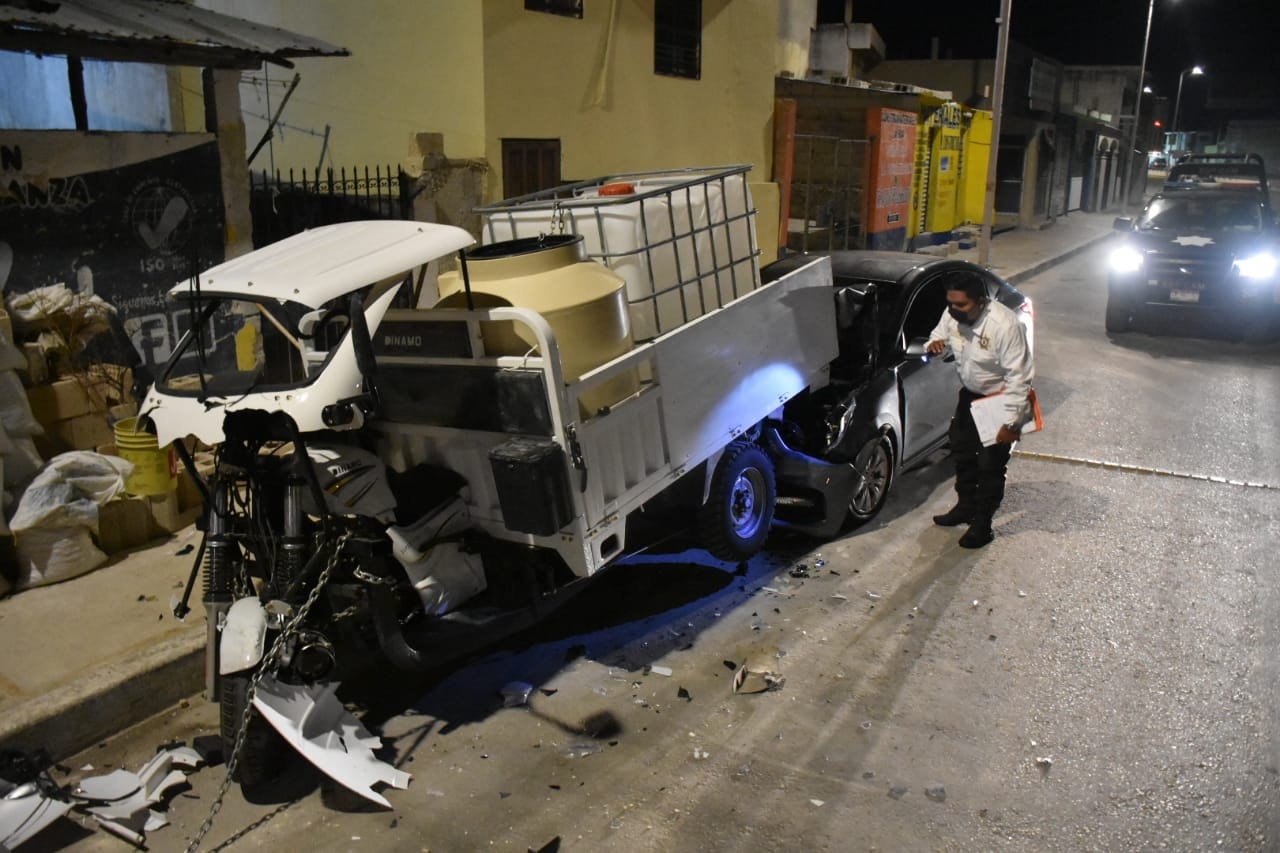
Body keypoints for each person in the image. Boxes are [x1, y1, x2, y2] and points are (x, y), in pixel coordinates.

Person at [925, 272, 1033, 548]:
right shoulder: (954, 314)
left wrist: (1012, 423)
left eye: (961, 305)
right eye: (951, 304)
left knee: (990, 466)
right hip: (970, 397)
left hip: (1000, 400)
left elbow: (1019, 378)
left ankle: (982, 525)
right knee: (962, 454)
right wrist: (935, 344)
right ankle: (965, 508)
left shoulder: (1005, 326)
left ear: (981, 302)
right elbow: (939, 333)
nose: (953, 310)